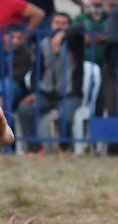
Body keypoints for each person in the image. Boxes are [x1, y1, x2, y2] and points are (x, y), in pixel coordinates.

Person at [16, 12, 84, 153]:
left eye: (63, 23)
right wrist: (34, 92)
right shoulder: (43, 44)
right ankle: (35, 150)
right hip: (46, 95)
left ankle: (65, 149)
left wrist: (63, 35)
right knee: (25, 110)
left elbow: (80, 28)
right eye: (56, 23)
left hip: (70, 94)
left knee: (65, 116)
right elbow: (37, 72)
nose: (59, 26)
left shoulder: (75, 44)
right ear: (51, 25)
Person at [74, 0, 109, 68]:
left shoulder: (111, 18)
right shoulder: (80, 18)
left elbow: (113, 36)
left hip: (107, 66)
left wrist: (90, 38)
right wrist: (102, 38)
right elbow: (76, 39)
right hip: (84, 64)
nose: (97, 1)